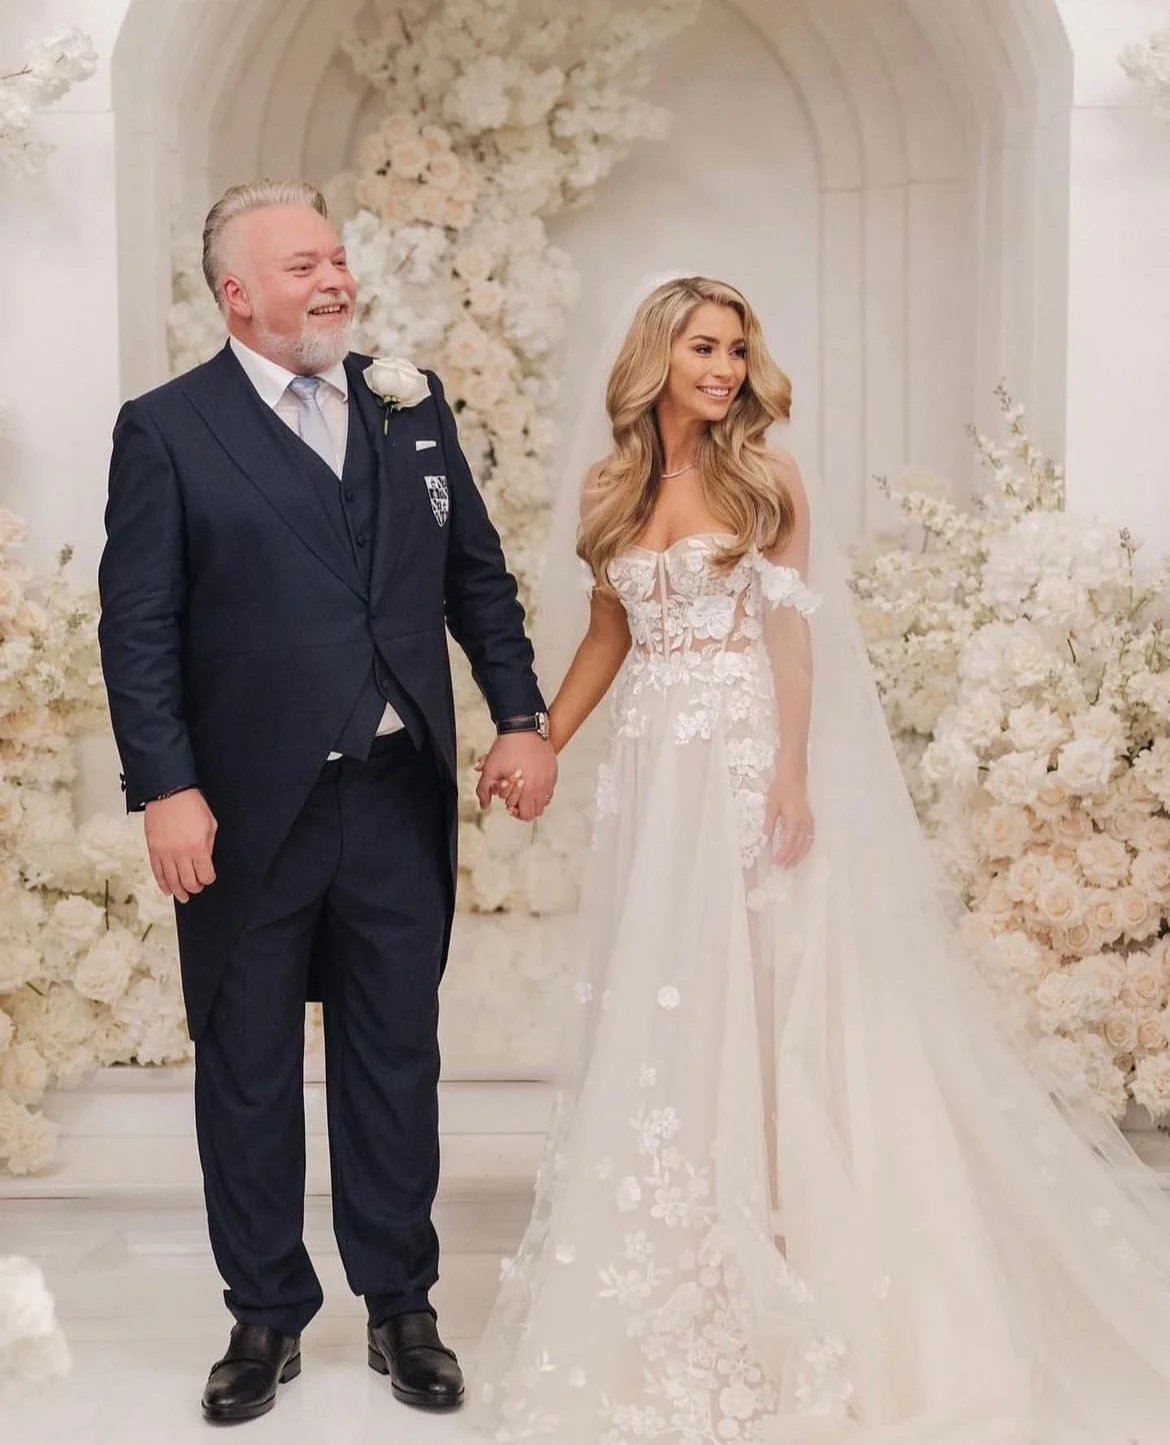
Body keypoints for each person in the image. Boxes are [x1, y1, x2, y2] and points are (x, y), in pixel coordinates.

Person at [471, 276, 1170, 1443]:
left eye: (737, 351)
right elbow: (607, 634)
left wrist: (790, 771)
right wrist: (540, 733)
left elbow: (794, 641)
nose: (726, 370)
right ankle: (685, 1259)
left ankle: (799, 1249)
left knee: (770, 990)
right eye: (704, 347)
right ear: (656, 353)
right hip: (656, 779)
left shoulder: (769, 477)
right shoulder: (612, 486)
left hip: (742, 760)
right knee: (671, 999)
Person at [97, 179, 556, 1425]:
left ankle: (403, 1304)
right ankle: (264, 1313)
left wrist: (522, 716)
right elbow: (137, 626)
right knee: (244, 1065)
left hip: (398, 797)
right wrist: (167, 788)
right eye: (304, 265)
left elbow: (478, 579)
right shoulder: (168, 430)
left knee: (395, 1057)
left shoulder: (410, 407)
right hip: (244, 811)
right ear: (238, 293)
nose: (334, 280)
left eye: (338, 258)